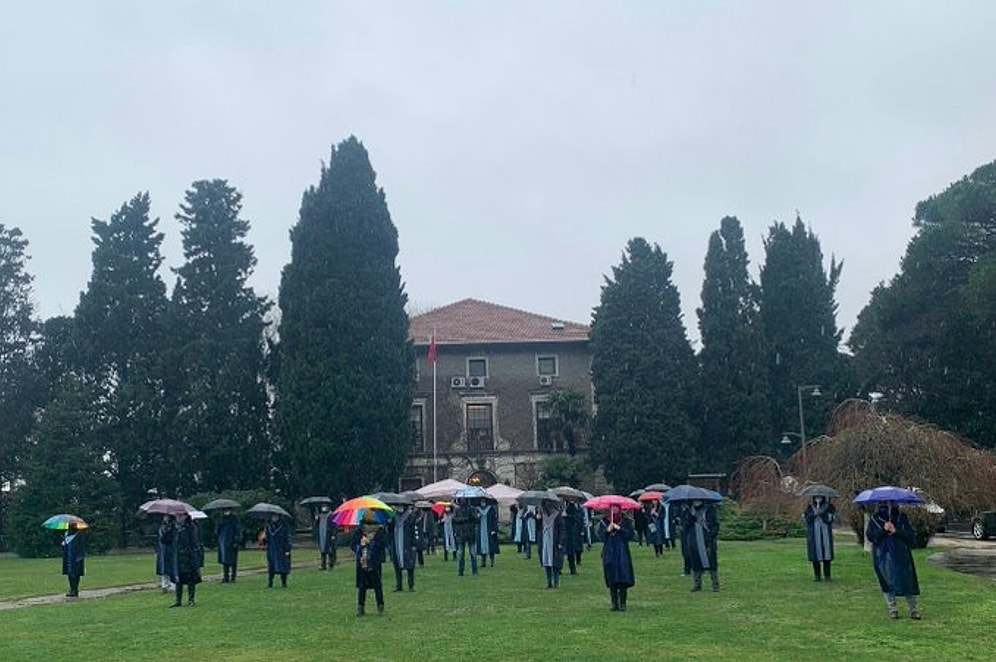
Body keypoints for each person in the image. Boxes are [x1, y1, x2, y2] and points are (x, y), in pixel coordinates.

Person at [866, 501, 922, 620]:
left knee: (907, 580)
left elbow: (911, 537)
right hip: (883, 555)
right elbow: (871, 536)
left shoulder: (902, 518)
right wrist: (883, 529)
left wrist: (896, 531)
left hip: (901, 554)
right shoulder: (875, 519)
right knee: (887, 581)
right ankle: (892, 609)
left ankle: (913, 609)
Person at [598, 505, 635, 611]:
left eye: (616, 507)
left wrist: (620, 529)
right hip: (610, 551)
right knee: (612, 575)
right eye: (612, 508)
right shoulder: (604, 521)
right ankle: (614, 603)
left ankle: (623, 602)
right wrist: (607, 530)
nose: (614, 510)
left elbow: (630, 535)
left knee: (622, 575)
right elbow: (601, 537)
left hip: (622, 551)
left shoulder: (625, 520)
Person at [352, 514, 388, 616]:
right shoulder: (359, 531)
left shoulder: (379, 531)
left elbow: (383, 545)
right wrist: (360, 544)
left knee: (377, 585)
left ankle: (380, 606)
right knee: (362, 586)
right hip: (361, 562)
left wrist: (372, 543)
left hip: (374, 562)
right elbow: (353, 545)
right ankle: (360, 607)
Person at [684, 499, 720, 592]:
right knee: (695, 562)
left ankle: (715, 585)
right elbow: (685, 527)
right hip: (694, 540)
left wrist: (711, 535)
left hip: (707, 540)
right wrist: (690, 520)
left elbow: (716, 525)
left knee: (711, 562)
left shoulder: (710, 510)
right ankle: (697, 584)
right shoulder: (689, 511)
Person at [169, 511, 202, 607]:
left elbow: (195, 542)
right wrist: (165, 527)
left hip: (189, 556)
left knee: (190, 579)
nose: (178, 517)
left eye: (181, 515)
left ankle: (191, 599)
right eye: (177, 515)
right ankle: (178, 600)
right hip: (177, 556)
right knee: (178, 579)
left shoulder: (191, 527)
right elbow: (166, 540)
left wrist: (193, 553)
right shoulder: (173, 527)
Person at [387, 503, 419, 591]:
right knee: (396, 565)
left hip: (407, 543)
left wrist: (414, 544)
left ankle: (411, 585)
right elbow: (389, 531)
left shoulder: (411, 516)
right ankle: (399, 585)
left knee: (410, 565)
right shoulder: (394, 517)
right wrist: (389, 522)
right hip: (396, 544)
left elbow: (414, 531)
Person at [804, 495, 836, 582]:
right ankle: (817, 575)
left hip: (825, 533)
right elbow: (806, 518)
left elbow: (832, 518)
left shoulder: (829, 507)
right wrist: (814, 514)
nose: (818, 499)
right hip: (814, 534)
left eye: (820, 497)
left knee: (827, 554)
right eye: (816, 498)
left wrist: (822, 514)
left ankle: (827, 575)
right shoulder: (810, 507)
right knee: (815, 555)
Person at [536, 500, 565, 588]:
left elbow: (562, 530)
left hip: (554, 541)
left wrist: (560, 542)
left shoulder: (557, 515)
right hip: (545, 541)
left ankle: (556, 582)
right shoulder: (542, 516)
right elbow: (538, 529)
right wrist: (538, 519)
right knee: (546, 562)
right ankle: (549, 582)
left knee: (555, 562)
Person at [452, 498, 479, 576]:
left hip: (470, 533)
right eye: (461, 500)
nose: (463, 502)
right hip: (461, 533)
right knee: (461, 554)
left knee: (473, 553)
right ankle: (460, 571)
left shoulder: (472, 509)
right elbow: (454, 519)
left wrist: (472, 516)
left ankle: (474, 571)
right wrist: (464, 519)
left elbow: (476, 519)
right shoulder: (457, 510)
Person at [265, 512, 292, 588]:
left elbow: (288, 538)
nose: (274, 518)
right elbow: (267, 538)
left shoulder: (284, 526)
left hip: (281, 548)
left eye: (276, 516)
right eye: (273, 516)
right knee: (271, 566)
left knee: (283, 566)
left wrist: (287, 549)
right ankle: (270, 583)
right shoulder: (269, 526)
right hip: (272, 549)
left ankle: (284, 582)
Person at [216, 509, 242, 582]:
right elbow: (217, 531)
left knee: (233, 561)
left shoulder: (234, 519)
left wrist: (236, 540)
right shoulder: (221, 519)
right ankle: (225, 577)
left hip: (232, 542)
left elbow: (238, 530)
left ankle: (233, 577)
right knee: (224, 561)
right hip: (223, 542)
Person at [62, 522, 86, 598]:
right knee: (69, 573)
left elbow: (81, 546)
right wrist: (63, 544)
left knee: (76, 573)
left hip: (76, 557)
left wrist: (80, 556)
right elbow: (65, 546)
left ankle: (75, 590)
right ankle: (72, 589)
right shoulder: (66, 534)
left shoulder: (79, 534)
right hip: (68, 556)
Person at [477, 501, 499, 569]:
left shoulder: (490, 509)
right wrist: (477, 516)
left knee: (491, 547)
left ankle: (492, 562)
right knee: (482, 547)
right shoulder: (477, 509)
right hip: (481, 530)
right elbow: (475, 520)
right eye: (481, 501)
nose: (482, 503)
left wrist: (494, 529)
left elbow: (494, 520)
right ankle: (483, 563)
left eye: (483, 501)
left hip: (489, 530)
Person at [156, 515, 175, 592]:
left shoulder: (173, 527)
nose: (165, 518)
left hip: (170, 549)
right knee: (163, 568)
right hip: (162, 550)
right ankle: (164, 585)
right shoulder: (162, 527)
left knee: (171, 567)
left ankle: (172, 585)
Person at [315, 504, 337, 571]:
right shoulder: (320, 515)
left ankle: (331, 565)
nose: (323, 508)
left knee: (330, 551)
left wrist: (333, 534)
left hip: (329, 535)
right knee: (322, 551)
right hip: (322, 535)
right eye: (322, 507)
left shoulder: (331, 515)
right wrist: (316, 519)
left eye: (325, 507)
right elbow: (316, 525)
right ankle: (323, 565)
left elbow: (335, 526)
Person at [563, 500, 582, 574]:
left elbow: (575, 518)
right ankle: (558, 569)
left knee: (570, 551)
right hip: (561, 530)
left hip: (570, 531)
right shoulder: (559, 506)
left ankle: (572, 569)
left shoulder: (572, 506)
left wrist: (567, 516)